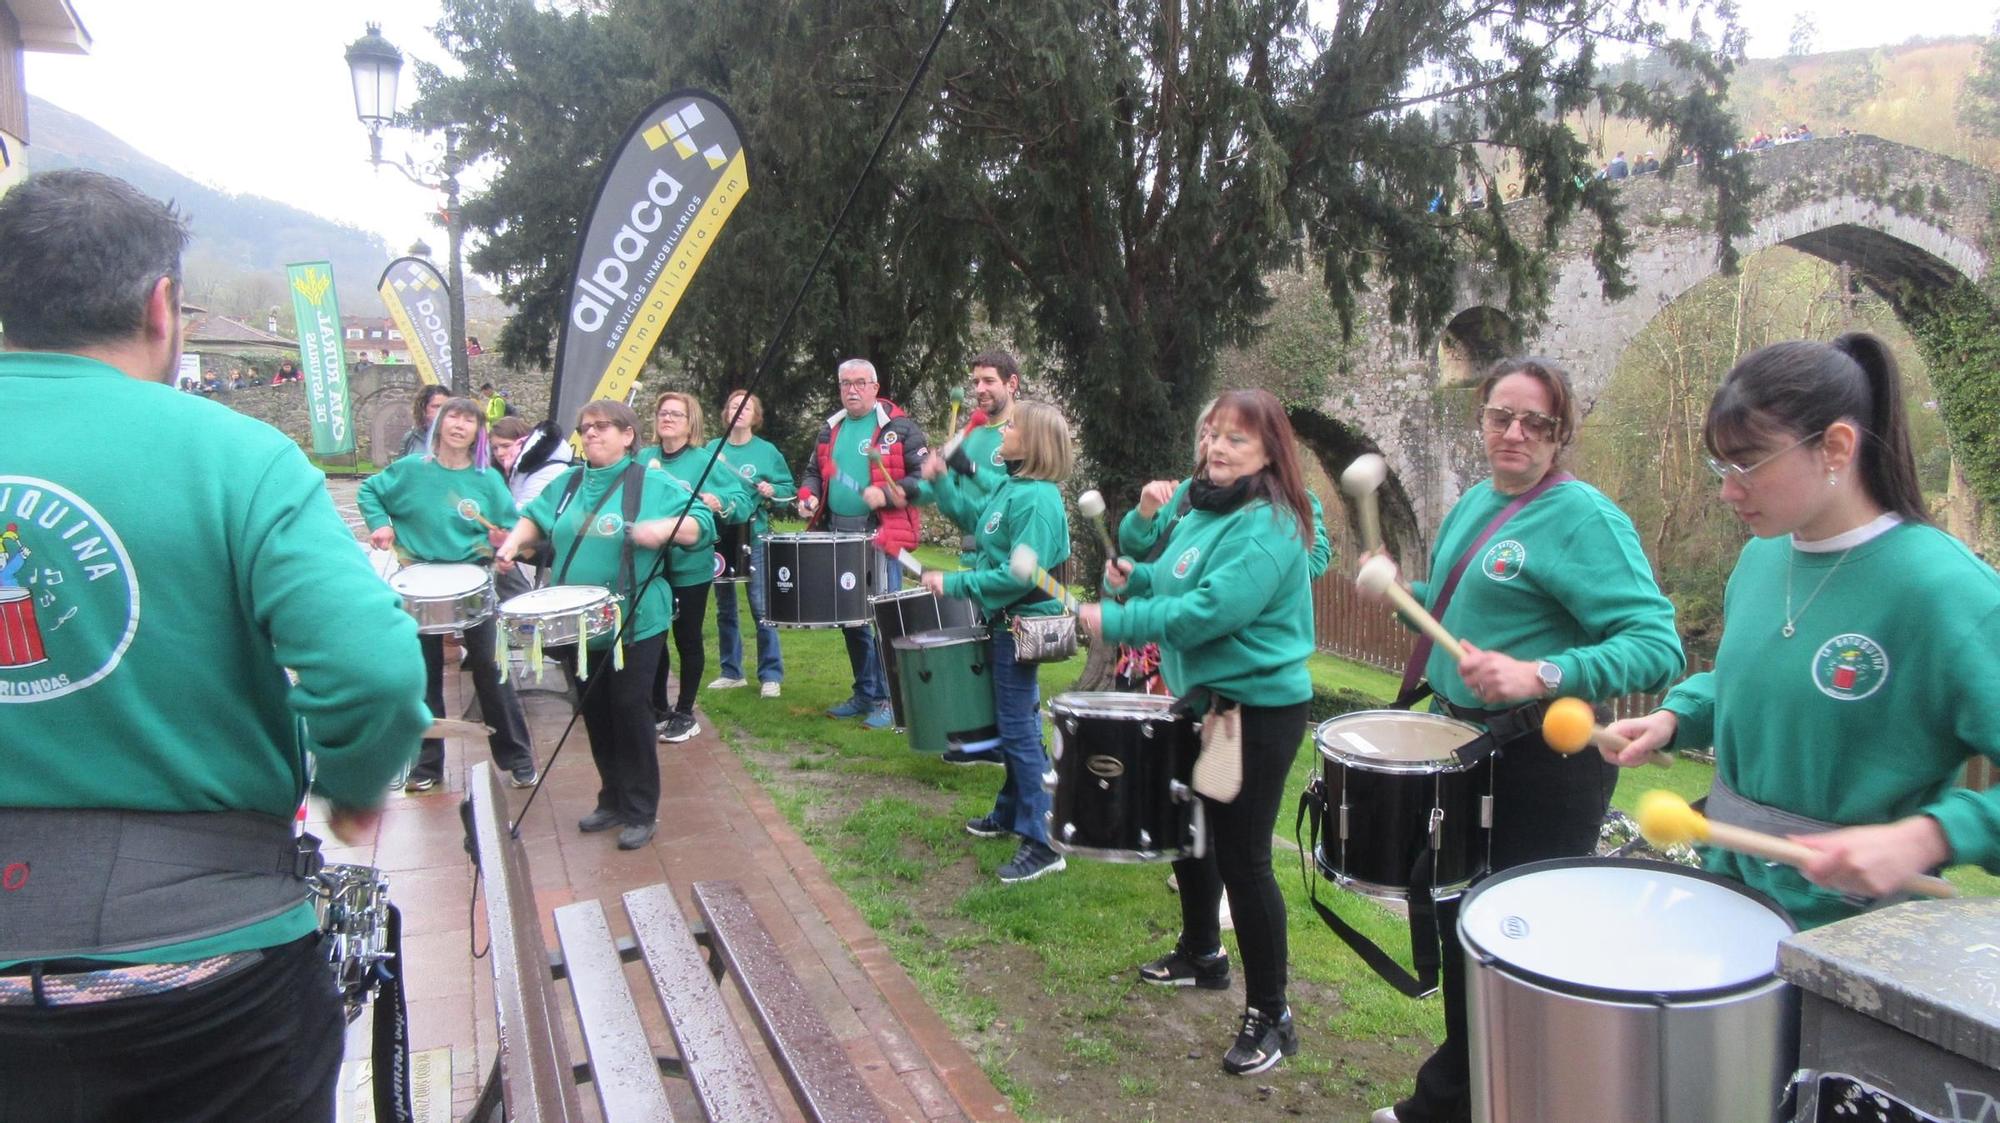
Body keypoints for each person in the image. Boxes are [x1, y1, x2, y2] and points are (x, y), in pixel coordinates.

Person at [0, 168, 429, 1122]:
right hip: (200, 964)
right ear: (163, 307)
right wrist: (353, 790)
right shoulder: (235, 454)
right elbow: (373, 673)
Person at [1364, 356, 1683, 1123]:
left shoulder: (1586, 519)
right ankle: (1463, 1097)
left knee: (1518, 946)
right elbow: (1467, 638)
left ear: (1560, 431)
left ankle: (1484, 1101)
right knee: (1462, 927)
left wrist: (1545, 671)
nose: (1514, 432)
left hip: (1543, 763)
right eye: (1500, 416)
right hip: (1463, 750)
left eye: (1534, 422)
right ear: (1481, 421)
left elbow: (1658, 643)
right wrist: (1399, 592)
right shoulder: (1478, 500)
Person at [1604, 335, 2000, 929]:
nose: (1727, 490)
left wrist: (1929, 837)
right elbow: (1756, 673)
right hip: (1730, 900)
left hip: (1854, 934)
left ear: (1836, 447)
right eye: (1721, 465)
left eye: (1748, 464)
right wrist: (1676, 718)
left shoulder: (1948, 592)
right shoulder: (1762, 558)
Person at [1076, 388, 1316, 1077]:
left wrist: (1114, 619)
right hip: (1203, 699)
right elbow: (1175, 573)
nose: (1216, 447)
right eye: (1212, 433)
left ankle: (1273, 1011)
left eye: (1236, 439)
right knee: (1193, 832)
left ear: (1270, 452)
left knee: (1245, 858)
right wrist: (1135, 573)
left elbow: (1210, 609)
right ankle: (1203, 952)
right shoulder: (1203, 507)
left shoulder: (1270, 524)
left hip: (1255, 711)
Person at [495, 400, 713, 851]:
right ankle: (611, 797)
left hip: (634, 619)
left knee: (631, 709)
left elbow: (702, 523)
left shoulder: (650, 480)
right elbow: (535, 519)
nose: (590, 434)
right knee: (594, 711)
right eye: (585, 428)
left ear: (628, 434)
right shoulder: (569, 482)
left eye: (601, 427)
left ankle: (640, 809)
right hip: (578, 623)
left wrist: (663, 529)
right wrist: (514, 544)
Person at [918, 400, 1074, 883]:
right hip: (1003, 621)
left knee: (1018, 728)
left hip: (1019, 624)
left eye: (1012, 429)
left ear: (1032, 442)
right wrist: (945, 478)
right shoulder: (1012, 486)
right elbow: (974, 517)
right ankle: (1011, 813)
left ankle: (1045, 840)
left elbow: (1016, 576)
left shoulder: (1038, 501)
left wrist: (956, 583)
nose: (1003, 433)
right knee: (1015, 720)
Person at [357, 397, 539, 792]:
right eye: (453, 416)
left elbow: (509, 530)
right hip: (418, 580)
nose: (460, 424)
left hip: (472, 579)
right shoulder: (409, 471)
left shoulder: (486, 480)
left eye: (469, 420)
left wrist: (503, 549)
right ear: (438, 423)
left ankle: (518, 757)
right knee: (423, 676)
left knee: (492, 671)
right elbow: (370, 491)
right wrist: (380, 525)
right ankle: (426, 766)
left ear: (478, 432)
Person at [795, 358, 930, 730]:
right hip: (837, 534)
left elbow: (925, 479)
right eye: (845, 384)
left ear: (874, 386)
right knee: (850, 619)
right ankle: (865, 693)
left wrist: (887, 494)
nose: (851, 390)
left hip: (880, 537)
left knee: (884, 618)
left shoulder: (899, 429)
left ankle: (891, 699)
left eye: (859, 383)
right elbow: (813, 472)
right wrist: (807, 494)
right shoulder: (831, 429)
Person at [914, 350, 1029, 760]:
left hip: (1010, 558)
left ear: (1012, 384)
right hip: (974, 552)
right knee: (980, 649)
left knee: (1009, 658)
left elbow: (1019, 488)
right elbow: (962, 510)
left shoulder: (1025, 430)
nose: (979, 389)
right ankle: (983, 737)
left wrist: (970, 470)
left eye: (989, 381)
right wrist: (935, 482)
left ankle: (1017, 745)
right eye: (975, 381)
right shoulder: (970, 433)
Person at [637, 391, 739, 742]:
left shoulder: (704, 461)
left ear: (690, 422)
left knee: (687, 638)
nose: (667, 419)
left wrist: (719, 500)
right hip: (649, 566)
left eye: (676, 415)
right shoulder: (643, 458)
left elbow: (738, 499)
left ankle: (685, 711)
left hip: (689, 566)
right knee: (652, 636)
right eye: (663, 413)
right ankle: (656, 707)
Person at [704, 389, 793, 698]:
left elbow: (788, 491)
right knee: (725, 608)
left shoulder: (767, 452)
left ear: (756, 417)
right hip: (718, 536)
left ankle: (770, 674)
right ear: (726, 413)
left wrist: (772, 490)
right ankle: (731, 671)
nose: (738, 411)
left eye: (746, 407)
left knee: (761, 606)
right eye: (732, 406)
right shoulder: (712, 450)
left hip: (754, 536)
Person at [490, 415, 576, 601]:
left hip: (553, 540)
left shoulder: (547, 468)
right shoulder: (524, 466)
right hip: (544, 535)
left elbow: (526, 514)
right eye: (495, 448)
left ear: (523, 440)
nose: (499, 453)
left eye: (505, 445)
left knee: (495, 544)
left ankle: (520, 603)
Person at [398, 384, 450, 460]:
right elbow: (400, 469)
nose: (441, 411)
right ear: (423, 409)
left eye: (445, 407)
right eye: (436, 406)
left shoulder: (455, 437)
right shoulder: (411, 438)